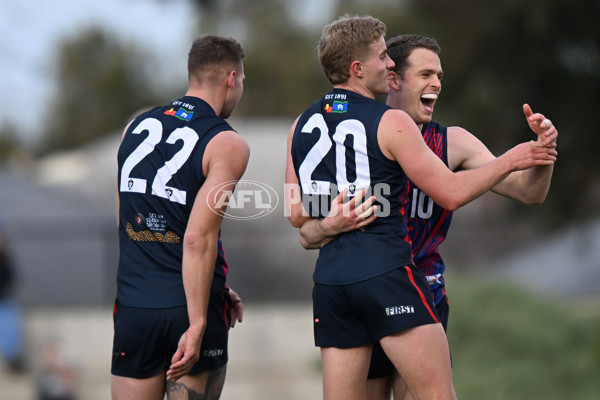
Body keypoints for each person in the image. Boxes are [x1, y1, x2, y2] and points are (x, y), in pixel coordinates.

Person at [285, 16, 557, 400]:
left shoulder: (305, 124)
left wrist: (541, 154)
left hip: (352, 283)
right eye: (425, 73)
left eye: (440, 76)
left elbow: (298, 217)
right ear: (380, 75)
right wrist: (513, 157)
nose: (437, 84)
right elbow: (450, 193)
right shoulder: (388, 124)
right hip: (387, 276)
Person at [112, 34, 249, 400]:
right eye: (242, 82)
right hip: (187, 310)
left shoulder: (135, 127)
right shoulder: (227, 142)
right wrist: (201, 316)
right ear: (231, 79)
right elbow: (196, 238)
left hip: (134, 305)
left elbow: (126, 214)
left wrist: (211, 280)